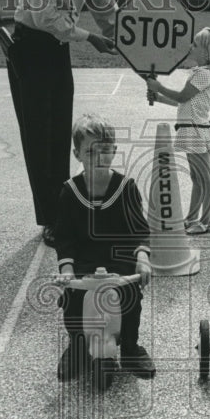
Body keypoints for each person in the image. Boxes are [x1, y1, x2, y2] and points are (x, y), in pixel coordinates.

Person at [6, 0, 125, 248]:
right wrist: (91, 38)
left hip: (58, 52)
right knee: (39, 139)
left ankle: (60, 211)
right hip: (30, 49)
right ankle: (51, 221)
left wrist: (133, 42)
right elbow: (44, 19)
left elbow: (110, 15)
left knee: (60, 136)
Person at [54, 114, 156, 390]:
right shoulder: (70, 191)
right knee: (73, 299)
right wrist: (66, 269)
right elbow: (63, 236)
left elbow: (139, 229)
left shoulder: (125, 188)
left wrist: (142, 258)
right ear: (77, 154)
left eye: (104, 150)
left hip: (119, 259)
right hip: (85, 261)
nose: (97, 156)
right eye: (90, 151)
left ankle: (131, 348)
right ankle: (77, 345)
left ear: (113, 151)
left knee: (130, 297)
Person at [145, 27, 210, 235]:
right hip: (191, 129)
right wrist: (159, 98)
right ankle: (192, 218)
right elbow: (184, 104)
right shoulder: (200, 74)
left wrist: (159, 87)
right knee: (197, 179)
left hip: (196, 131)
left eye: (195, 44)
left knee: (205, 179)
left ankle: (206, 222)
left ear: (206, 51)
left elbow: (183, 97)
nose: (191, 47)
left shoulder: (203, 74)